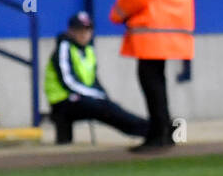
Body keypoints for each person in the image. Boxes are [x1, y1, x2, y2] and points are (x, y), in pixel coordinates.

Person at [109, 0, 194, 152]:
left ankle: (159, 135)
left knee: (151, 79)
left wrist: (117, 14)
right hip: (164, 25)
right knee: (154, 78)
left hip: (157, 25)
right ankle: (163, 132)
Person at [44, 12, 148, 145]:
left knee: (110, 108)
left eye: (87, 30)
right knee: (106, 109)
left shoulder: (88, 50)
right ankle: (150, 130)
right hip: (63, 100)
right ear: (70, 31)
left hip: (82, 97)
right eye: (79, 30)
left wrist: (103, 96)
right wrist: (97, 95)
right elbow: (69, 82)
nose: (84, 34)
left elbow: (94, 80)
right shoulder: (64, 48)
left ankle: (151, 129)